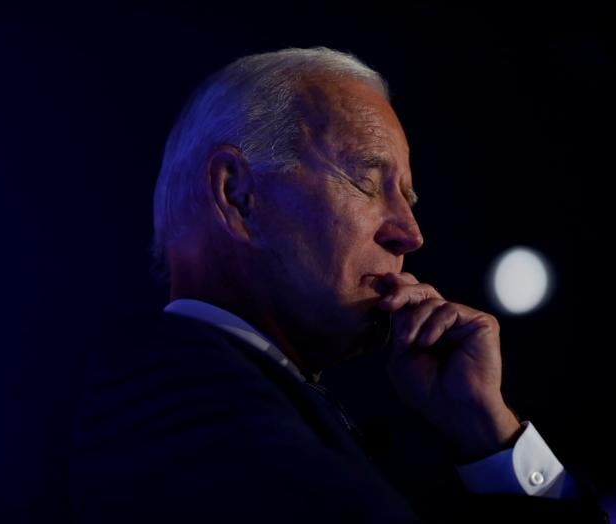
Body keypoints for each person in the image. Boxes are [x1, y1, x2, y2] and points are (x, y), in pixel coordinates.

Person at [69, 47, 608, 523]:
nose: (410, 235)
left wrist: (487, 431)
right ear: (238, 197)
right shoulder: (166, 390)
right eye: (367, 183)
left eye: (408, 199)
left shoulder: (252, 404)